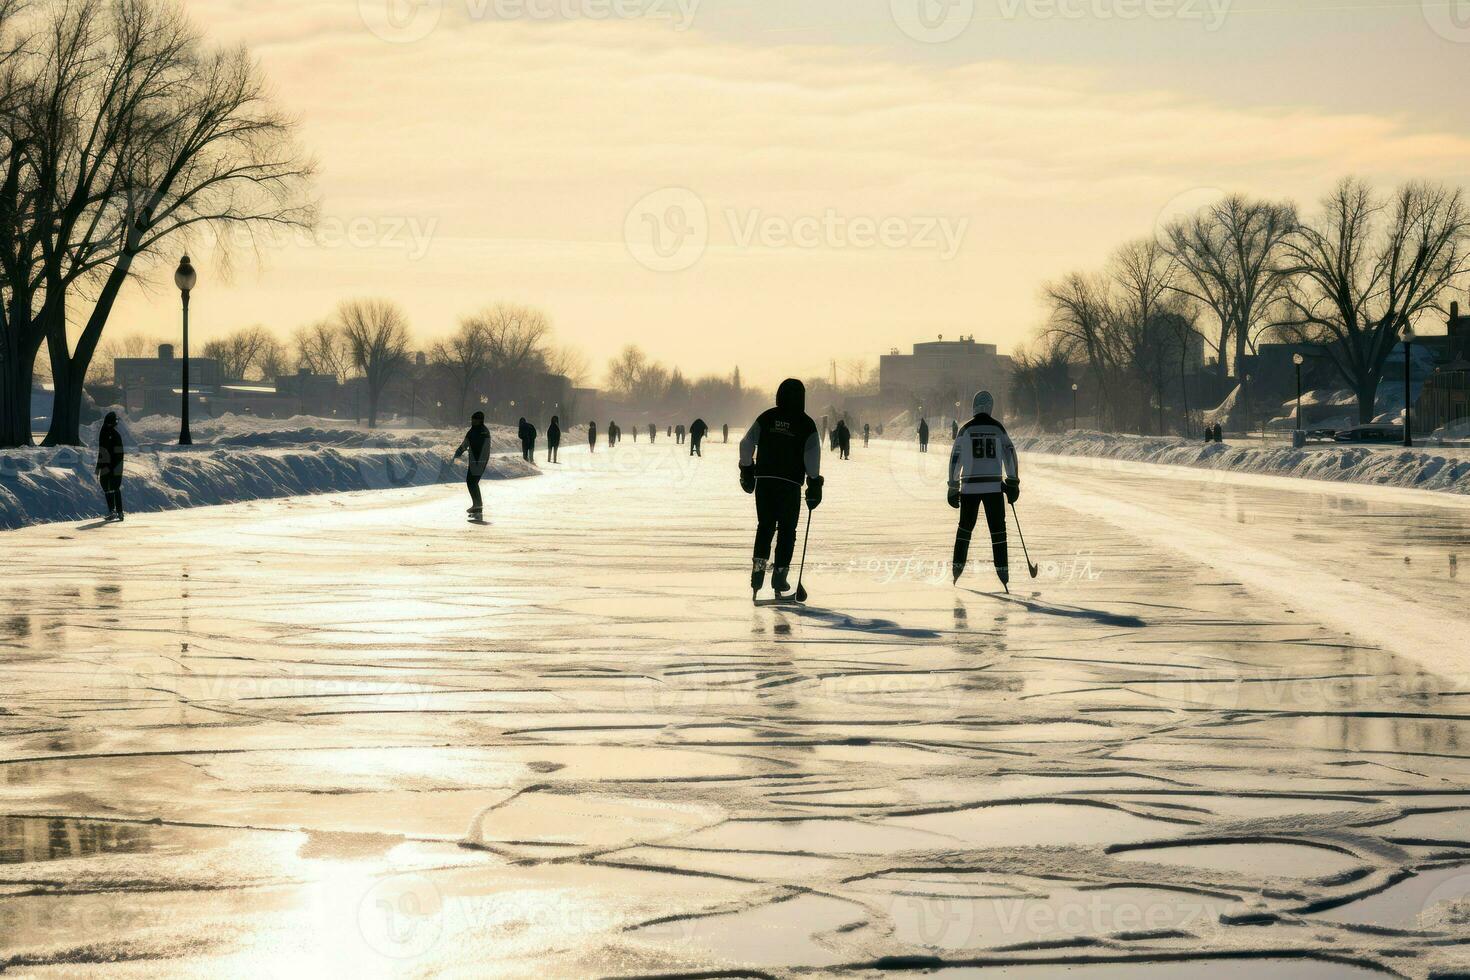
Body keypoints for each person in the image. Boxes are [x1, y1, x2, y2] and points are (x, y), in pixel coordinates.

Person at [739, 379, 823, 597]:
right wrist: (814, 482)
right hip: (790, 484)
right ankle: (780, 577)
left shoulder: (767, 417)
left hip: (765, 482)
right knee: (787, 530)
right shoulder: (806, 424)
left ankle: (758, 574)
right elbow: (812, 456)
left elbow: (745, 444)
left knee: (765, 526)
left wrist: (747, 469)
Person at [948, 391, 1020, 590]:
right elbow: (1010, 454)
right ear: (991, 406)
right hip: (993, 488)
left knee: (965, 529)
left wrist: (953, 486)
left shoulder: (965, 429)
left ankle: (957, 567)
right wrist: (1012, 482)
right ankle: (1002, 570)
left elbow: (955, 458)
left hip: (969, 488)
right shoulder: (998, 428)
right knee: (998, 532)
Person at [453, 411, 492, 516]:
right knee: (472, 482)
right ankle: (477, 506)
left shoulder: (483, 431)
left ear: (480, 420)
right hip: (474, 459)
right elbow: (466, 443)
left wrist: (481, 459)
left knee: (472, 482)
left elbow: (485, 447)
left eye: (475, 419)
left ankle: (478, 507)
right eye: (472, 419)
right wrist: (459, 451)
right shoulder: (472, 431)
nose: (472, 421)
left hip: (480, 460)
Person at [96, 411, 126, 521]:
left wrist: (113, 466)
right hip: (107, 464)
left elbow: (118, 453)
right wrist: (99, 466)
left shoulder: (113, 434)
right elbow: (102, 450)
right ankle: (114, 511)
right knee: (107, 486)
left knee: (114, 487)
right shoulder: (104, 433)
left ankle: (118, 511)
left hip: (114, 464)